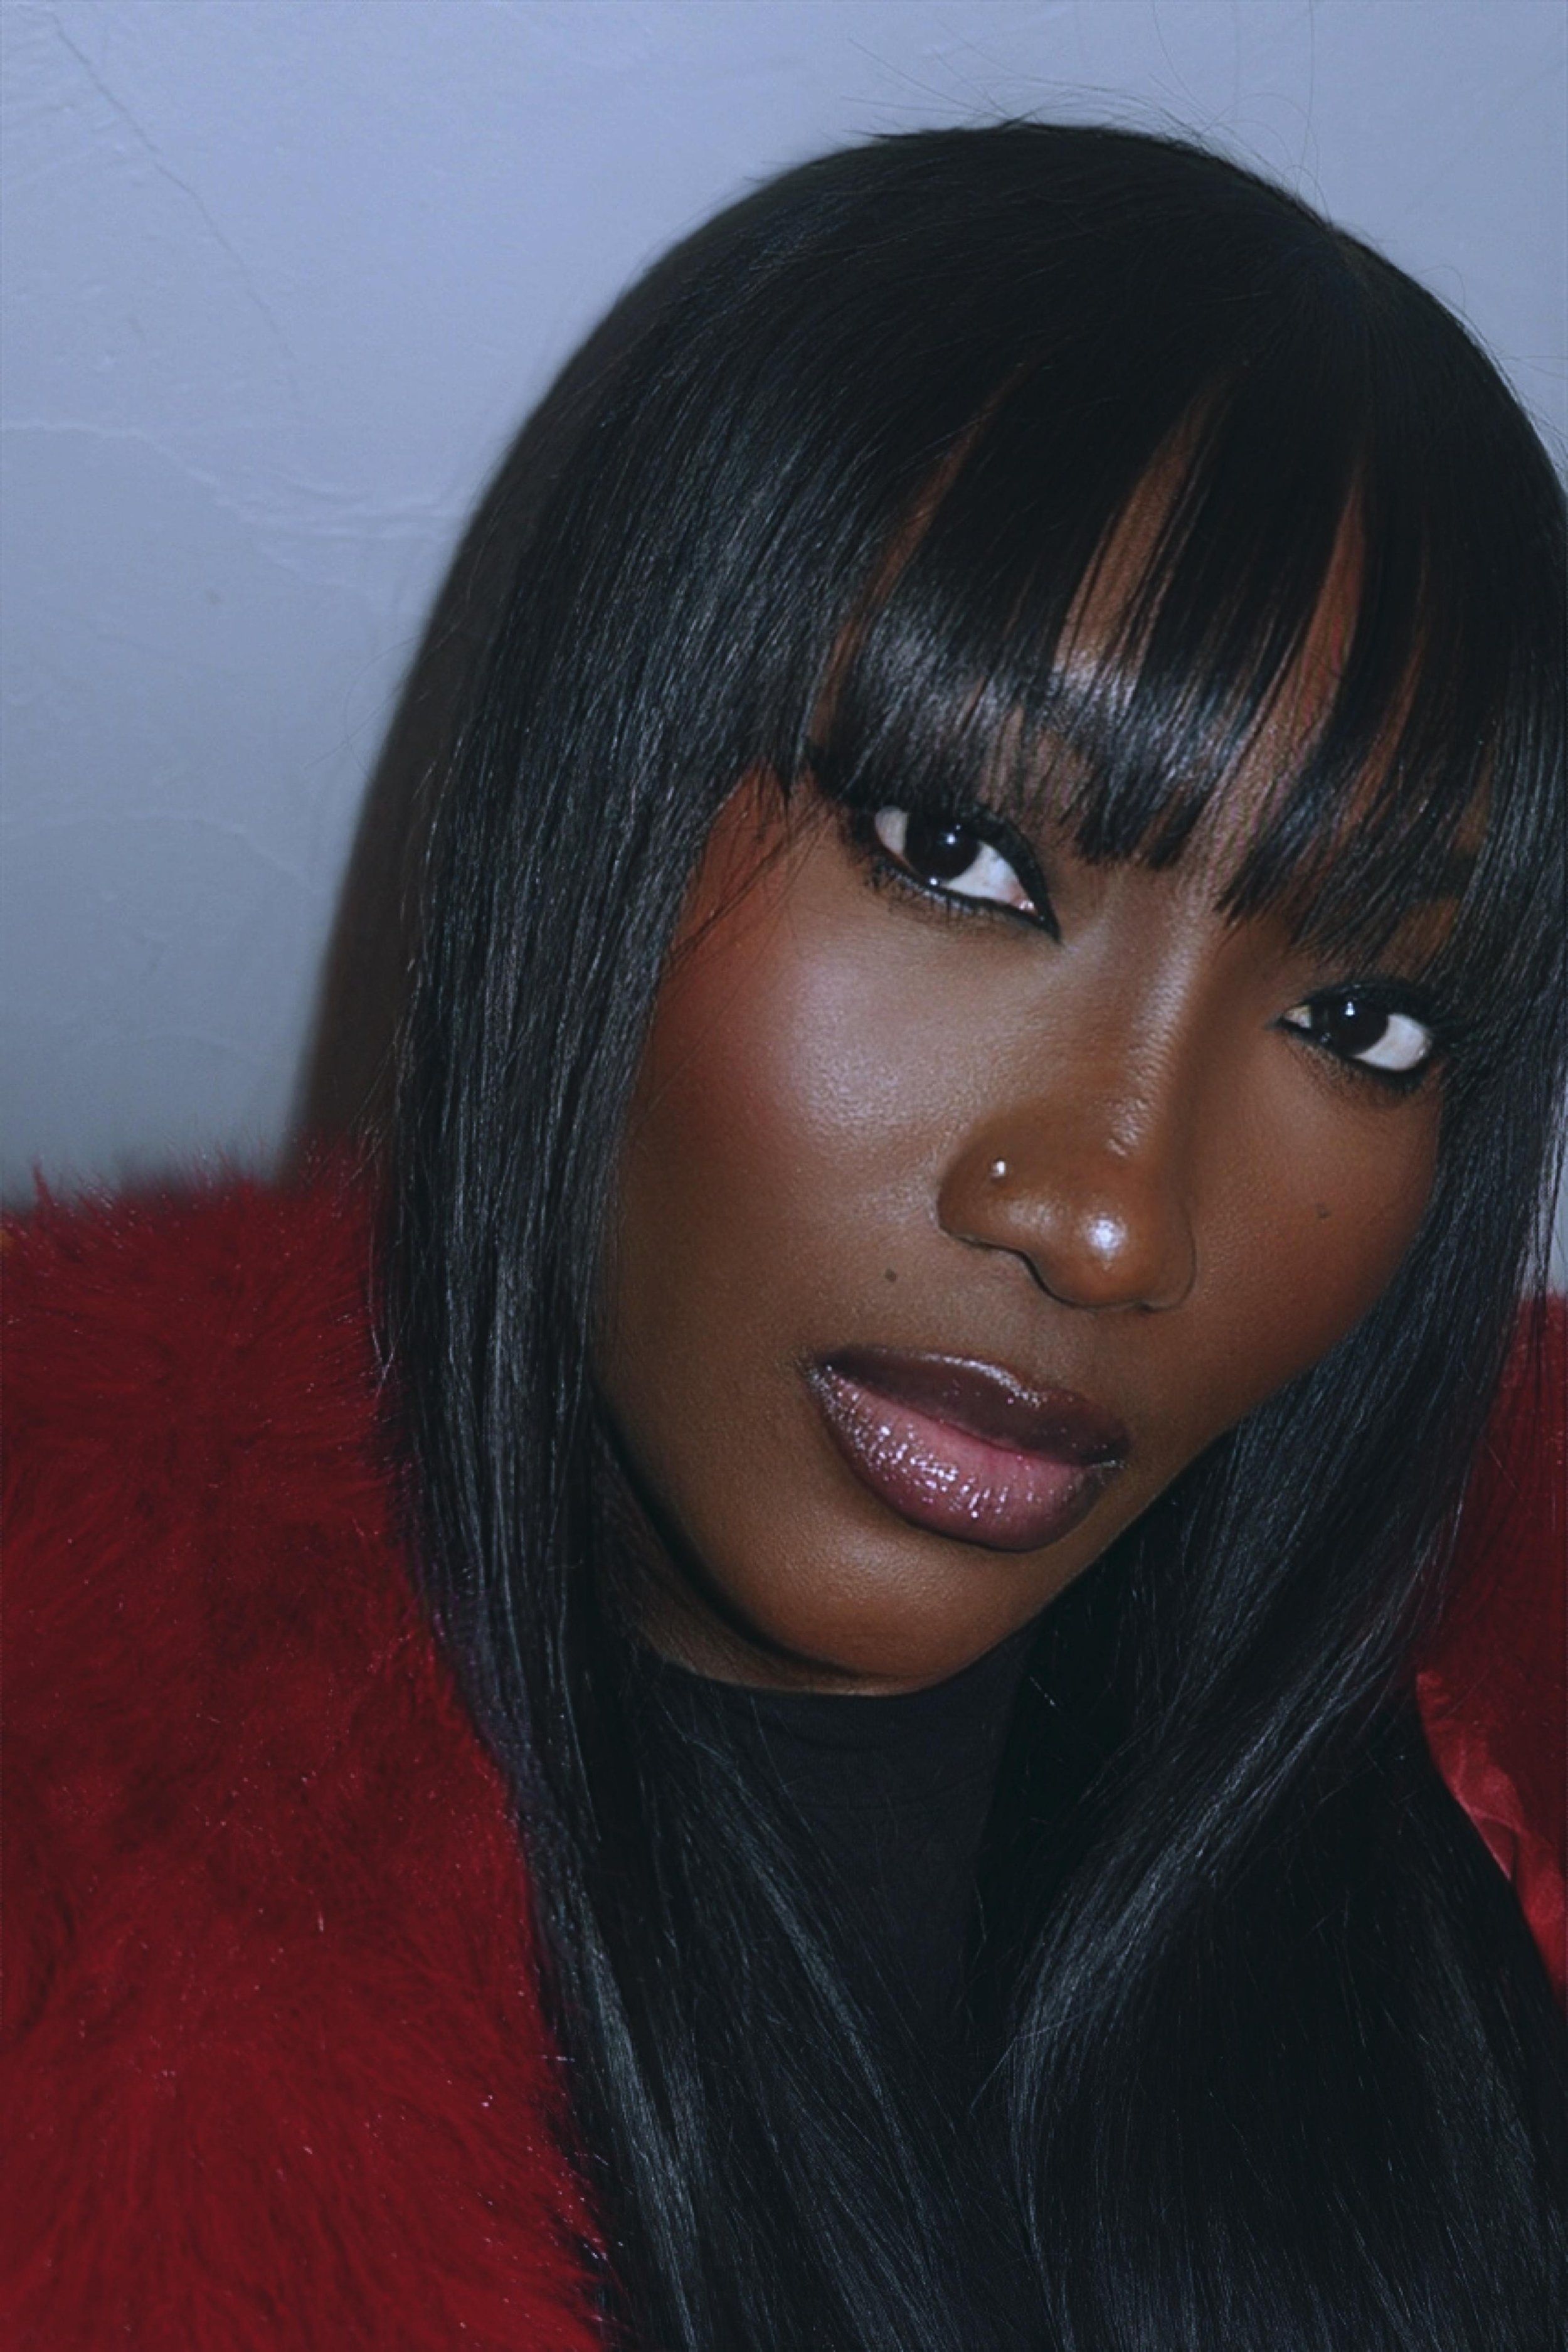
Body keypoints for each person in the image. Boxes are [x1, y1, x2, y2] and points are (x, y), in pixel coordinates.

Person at [4, 122, 1564, 2352]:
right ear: (592, 810)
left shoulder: (1486, 1842)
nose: (1116, 1218)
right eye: (958, 853)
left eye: (1360, 1017)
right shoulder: (79, 1946)